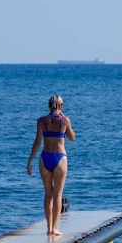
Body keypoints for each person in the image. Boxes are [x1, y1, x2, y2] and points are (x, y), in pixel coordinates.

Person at [27, 95, 76, 235]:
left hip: (44, 158)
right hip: (59, 159)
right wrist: (67, 122)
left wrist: (30, 160)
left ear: (49, 106)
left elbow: (37, 142)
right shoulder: (65, 120)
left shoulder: (41, 121)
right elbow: (72, 138)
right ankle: (55, 228)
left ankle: (48, 228)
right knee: (58, 195)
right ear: (61, 106)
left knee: (48, 194)